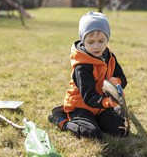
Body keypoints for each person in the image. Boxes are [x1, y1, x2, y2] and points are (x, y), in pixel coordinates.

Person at [48, 11, 128, 140]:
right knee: (92, 134)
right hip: (81, 106)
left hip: (100, 107)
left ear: (107, 38)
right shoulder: (82, 66)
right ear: (83, 40)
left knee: (120, 131)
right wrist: (108, 102)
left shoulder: (110, 57)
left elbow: (123, 79)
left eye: (101, 41)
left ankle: (102, 118)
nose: (96, 46)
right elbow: (89, 97)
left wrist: (117, 81)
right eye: (90, 42)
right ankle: (60, 118)